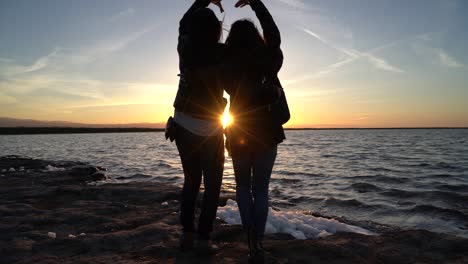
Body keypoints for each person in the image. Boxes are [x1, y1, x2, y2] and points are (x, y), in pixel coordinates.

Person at [223, 0, 286, 262]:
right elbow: (274, 36)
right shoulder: (268, 60)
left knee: (242, 187)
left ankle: (249, 234)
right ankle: (257, 242)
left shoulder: (226, 65)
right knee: (261, 190)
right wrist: (256, 4)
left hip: (238, 130)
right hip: (267, 132)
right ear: (256, 39)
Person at [172, 0, 226, 252]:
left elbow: (184, 21)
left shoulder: (186, 47)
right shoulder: (221, 53)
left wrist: (205, 0)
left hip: (182, 124)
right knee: (213, 185)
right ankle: (204, 238)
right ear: (216, 29)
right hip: (212, 129)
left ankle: (187, 235)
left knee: (191, 180)